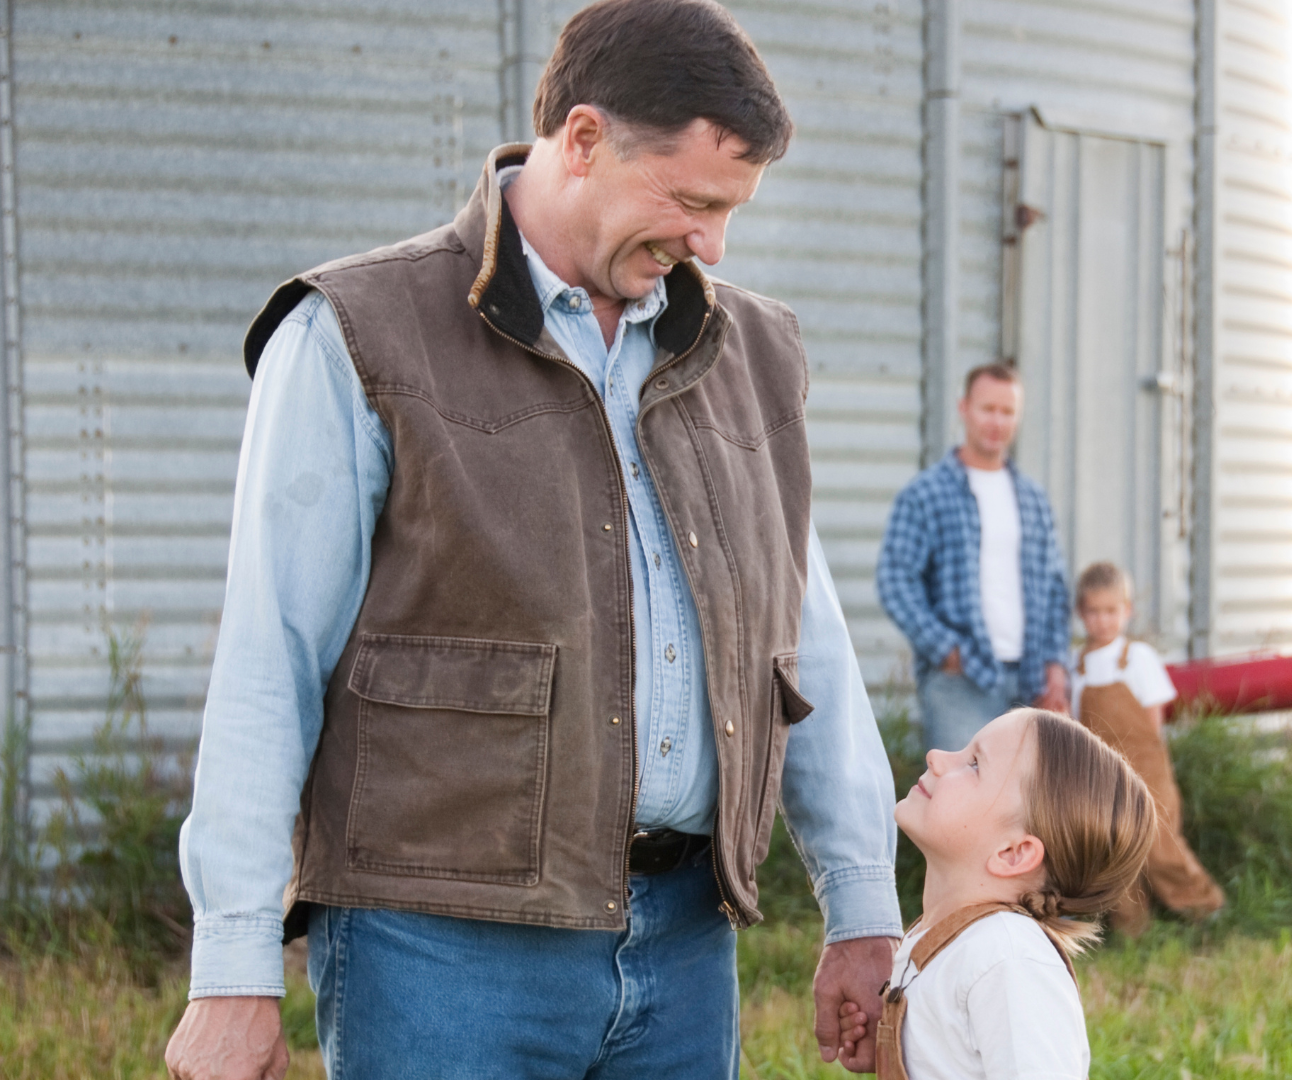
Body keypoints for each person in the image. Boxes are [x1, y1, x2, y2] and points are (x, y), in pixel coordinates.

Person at [164, 2, 903, 1077]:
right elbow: (267, 664)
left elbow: (803, 644)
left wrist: (862, 902)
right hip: (436, 956)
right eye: (692, 201)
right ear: (586, 138)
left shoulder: (752, 352)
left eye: (731, 210)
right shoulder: (355, 334)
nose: (713, 243)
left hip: (687, 944)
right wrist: (231, 969)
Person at [833, 708, 1154, 1080]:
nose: (936, 757)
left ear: (1013, 853)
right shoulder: (953, 942)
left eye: (973, 764)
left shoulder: (1007, 958)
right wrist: (902, 1046)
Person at [875, 364, 1072, 753]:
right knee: (958, 801)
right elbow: (895, 578)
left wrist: (1056, 666)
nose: (997, 421)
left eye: (1007, 411)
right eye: (987, 409)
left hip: (1031, 678)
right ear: (964, 408)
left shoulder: (1032, 499)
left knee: (1028, 808)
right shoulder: (927, 493)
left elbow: (1055, 589)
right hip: (959, 681)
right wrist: (946, 650)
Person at [1070, 562, 1226, 936]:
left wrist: (1150, 762)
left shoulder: (1137, 658)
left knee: (1159, 844)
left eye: (1111, 612)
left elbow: (1153, 719)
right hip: (1102, 773)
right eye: (1094, 612)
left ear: (1128, 611)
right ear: (1081, 613)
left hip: (1146, 766)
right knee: (1114, 849)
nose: (1103, 621)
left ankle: (1204, 909)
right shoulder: (1077, 667)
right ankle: (1132, 929)